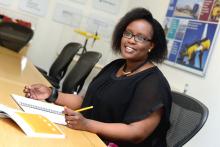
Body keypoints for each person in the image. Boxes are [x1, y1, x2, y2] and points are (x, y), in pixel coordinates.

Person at [24, 7, 172, 147]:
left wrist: (87, 124)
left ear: (151, 45)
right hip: (89, 137)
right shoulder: (115, 66)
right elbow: (86, 101)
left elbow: (136, 132)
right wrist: (51, 94)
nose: (131, 40)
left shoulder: (154, 83)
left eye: (140, 37)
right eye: (128, 33)